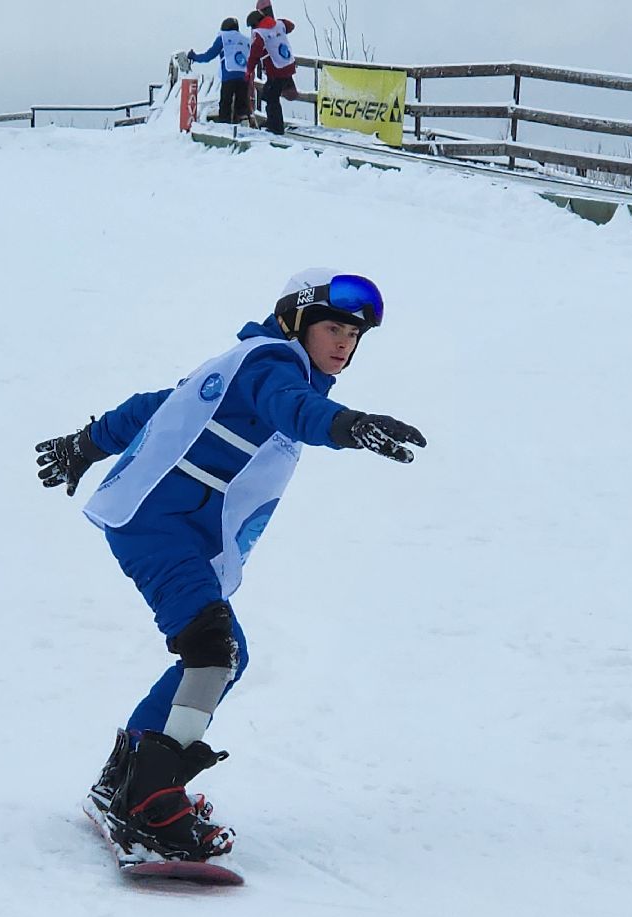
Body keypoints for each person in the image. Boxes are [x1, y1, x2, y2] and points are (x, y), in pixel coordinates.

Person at [34, 269, 426, 863]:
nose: (344, 342)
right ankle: (149, 802)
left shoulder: (243, 362)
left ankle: (126, 776)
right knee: (210, 651)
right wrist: (348, 425)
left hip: (177, 525)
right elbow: (292, 410)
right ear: (297, 321)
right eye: (333, 327)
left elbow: (153, 408)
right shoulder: (274, 368)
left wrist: (82, 446)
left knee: (223, 653)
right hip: (160, 524)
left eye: (354, 333)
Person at [188, 17, 251, 125]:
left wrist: (194, 57)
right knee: (241, 104)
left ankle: (224, 127)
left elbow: (209, 56)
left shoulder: (223, 37)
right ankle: (243, 125)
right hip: (243, 75)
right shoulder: (246, 40)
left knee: (225, 103)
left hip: (229, 74)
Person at [245, 10, 297, 135]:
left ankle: (276, 128)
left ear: (255, 23)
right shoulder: (280, 24)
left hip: (276, 70)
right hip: (288, 65)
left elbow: (254, 54)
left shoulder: (260, 33)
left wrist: (248, 71)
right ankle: (272, 121)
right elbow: (291, 25)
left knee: (271, 97)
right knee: (268, 93)